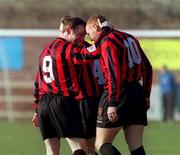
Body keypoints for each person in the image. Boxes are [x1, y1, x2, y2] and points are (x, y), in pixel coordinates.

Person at [31, 16, 101, 155]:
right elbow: (89, 54)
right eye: (80, 34)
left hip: (44, 105)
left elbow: (38, 82)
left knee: (51, 150)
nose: (82, 38)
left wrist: (36, 109)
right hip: (62, 102)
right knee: (80, 148)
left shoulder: (46, 50)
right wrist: (103, 39)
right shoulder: (67, 48)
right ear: (68, 30)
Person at [86, 15, 153, 155]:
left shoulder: (107, 41)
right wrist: (146, 94)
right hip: (137, 91)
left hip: (119, 93)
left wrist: (112, 102)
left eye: (89, 34)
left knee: (101, 143)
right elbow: (147, 67)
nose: (90, 38)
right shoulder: (130, 38)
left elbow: (113, 73)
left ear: (95, 27)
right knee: (136, 146)